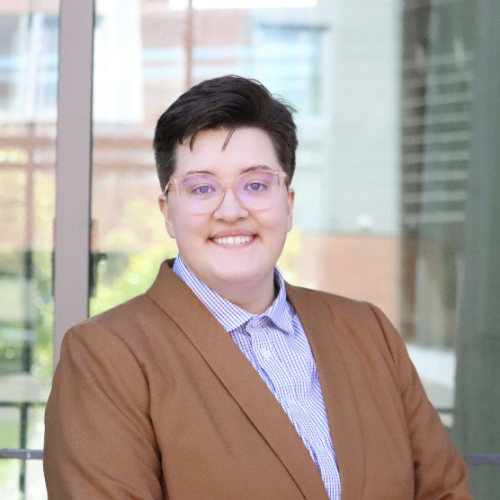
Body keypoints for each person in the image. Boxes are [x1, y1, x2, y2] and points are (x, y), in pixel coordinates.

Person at [43, 75, 473, 500]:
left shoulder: (367, 331)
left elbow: (444, 490)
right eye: (202, 187)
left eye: (255, 184)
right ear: (168, 213)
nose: (231, 210)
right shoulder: (106, 354)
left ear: (287, 203)